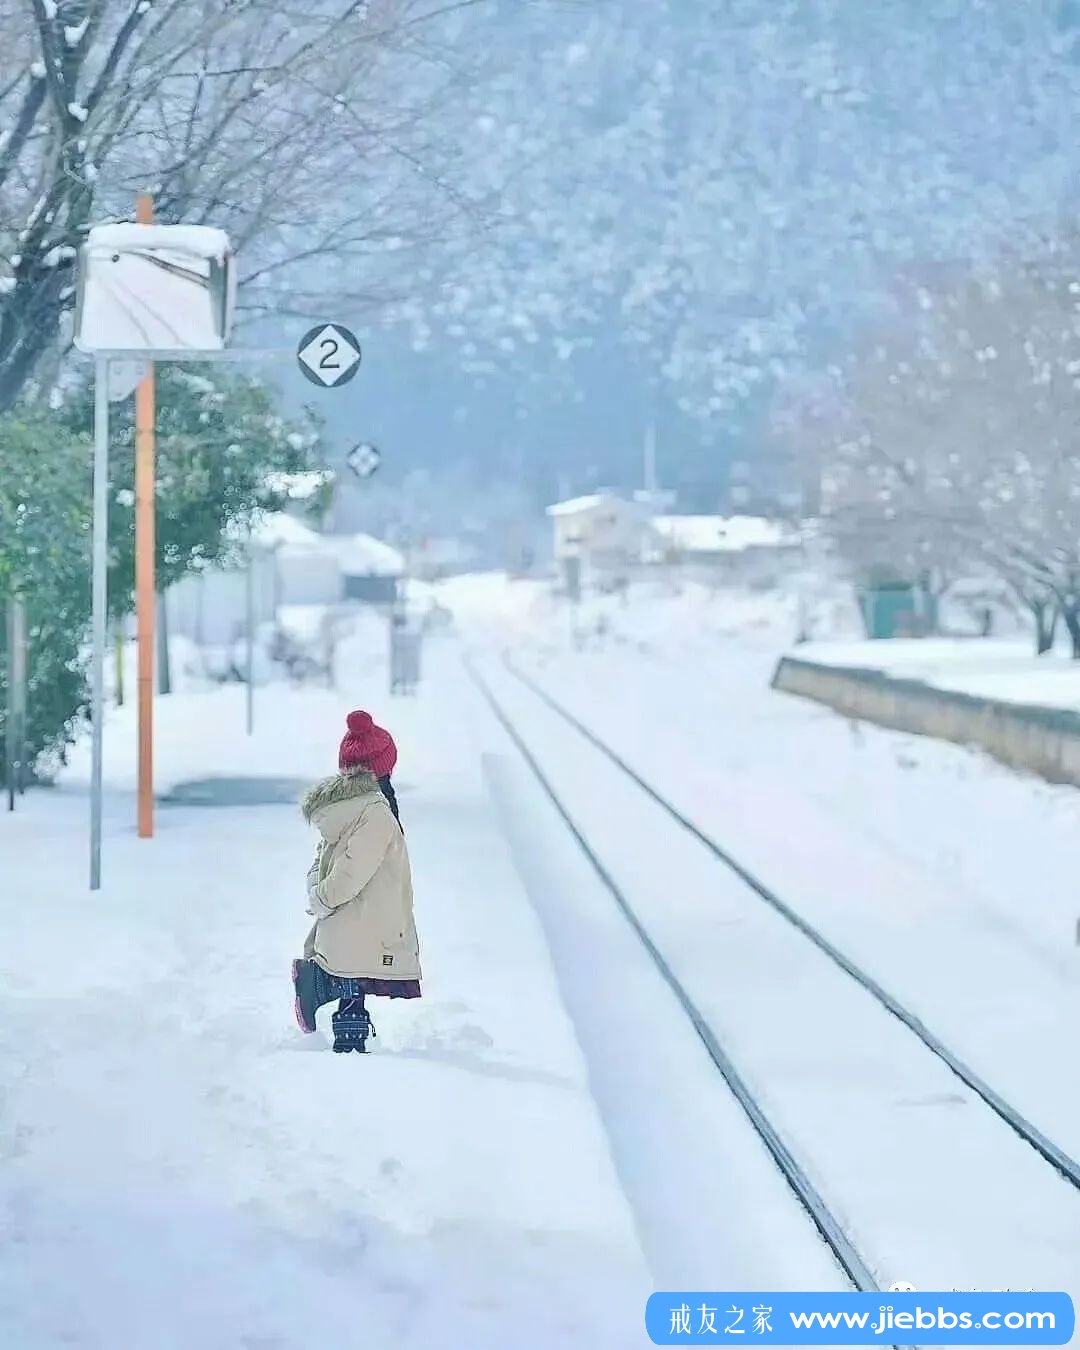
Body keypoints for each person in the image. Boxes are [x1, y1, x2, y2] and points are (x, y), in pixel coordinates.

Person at [291, 710, 420, 1053]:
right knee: (355, 975)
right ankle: (339, 1024)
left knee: (353, 977)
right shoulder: (374, 813)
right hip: (361, 918)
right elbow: (351, 871)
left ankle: (338, 1016)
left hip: (351, 923)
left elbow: (321, 860)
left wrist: (316, 892)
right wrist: (322, 898)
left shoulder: (345, 809)